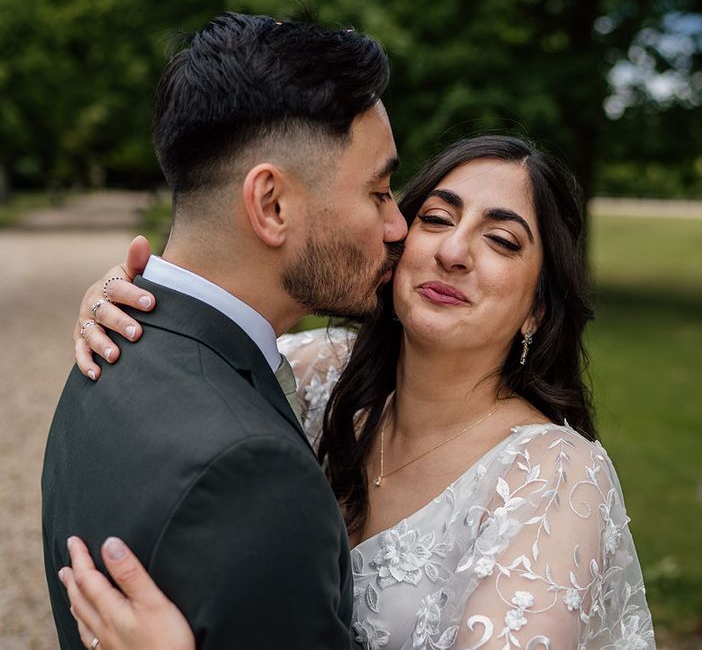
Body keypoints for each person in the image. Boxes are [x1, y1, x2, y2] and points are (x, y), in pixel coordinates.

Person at [60, 135, 656, 649]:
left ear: (538, 309)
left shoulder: (556, 478)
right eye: (437, 219)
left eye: (501, 240)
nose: (453, 252)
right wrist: (123, 305)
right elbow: (196, 350)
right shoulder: (323, 372)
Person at [42, 11, 408, 650]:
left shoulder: (114, 349)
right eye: (378, 192)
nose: (397, 225)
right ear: (271, 205)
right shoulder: (252, 472)